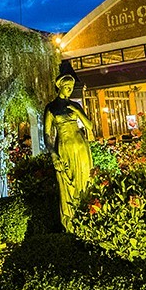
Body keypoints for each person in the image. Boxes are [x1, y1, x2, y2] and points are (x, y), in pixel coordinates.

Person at [43, 74, 94, 231]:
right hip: (64, 147)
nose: (70, 90)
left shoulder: (75, 106)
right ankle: (71, 222)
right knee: (67, 183)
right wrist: (53, 154)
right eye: (67, 87)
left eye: (71, 88)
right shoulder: (51, 108)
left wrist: (78, 112)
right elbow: (46, 135)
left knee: (85, 181)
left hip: (81, 146)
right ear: (60, 87)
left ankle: (88, 216)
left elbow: (90, 126)